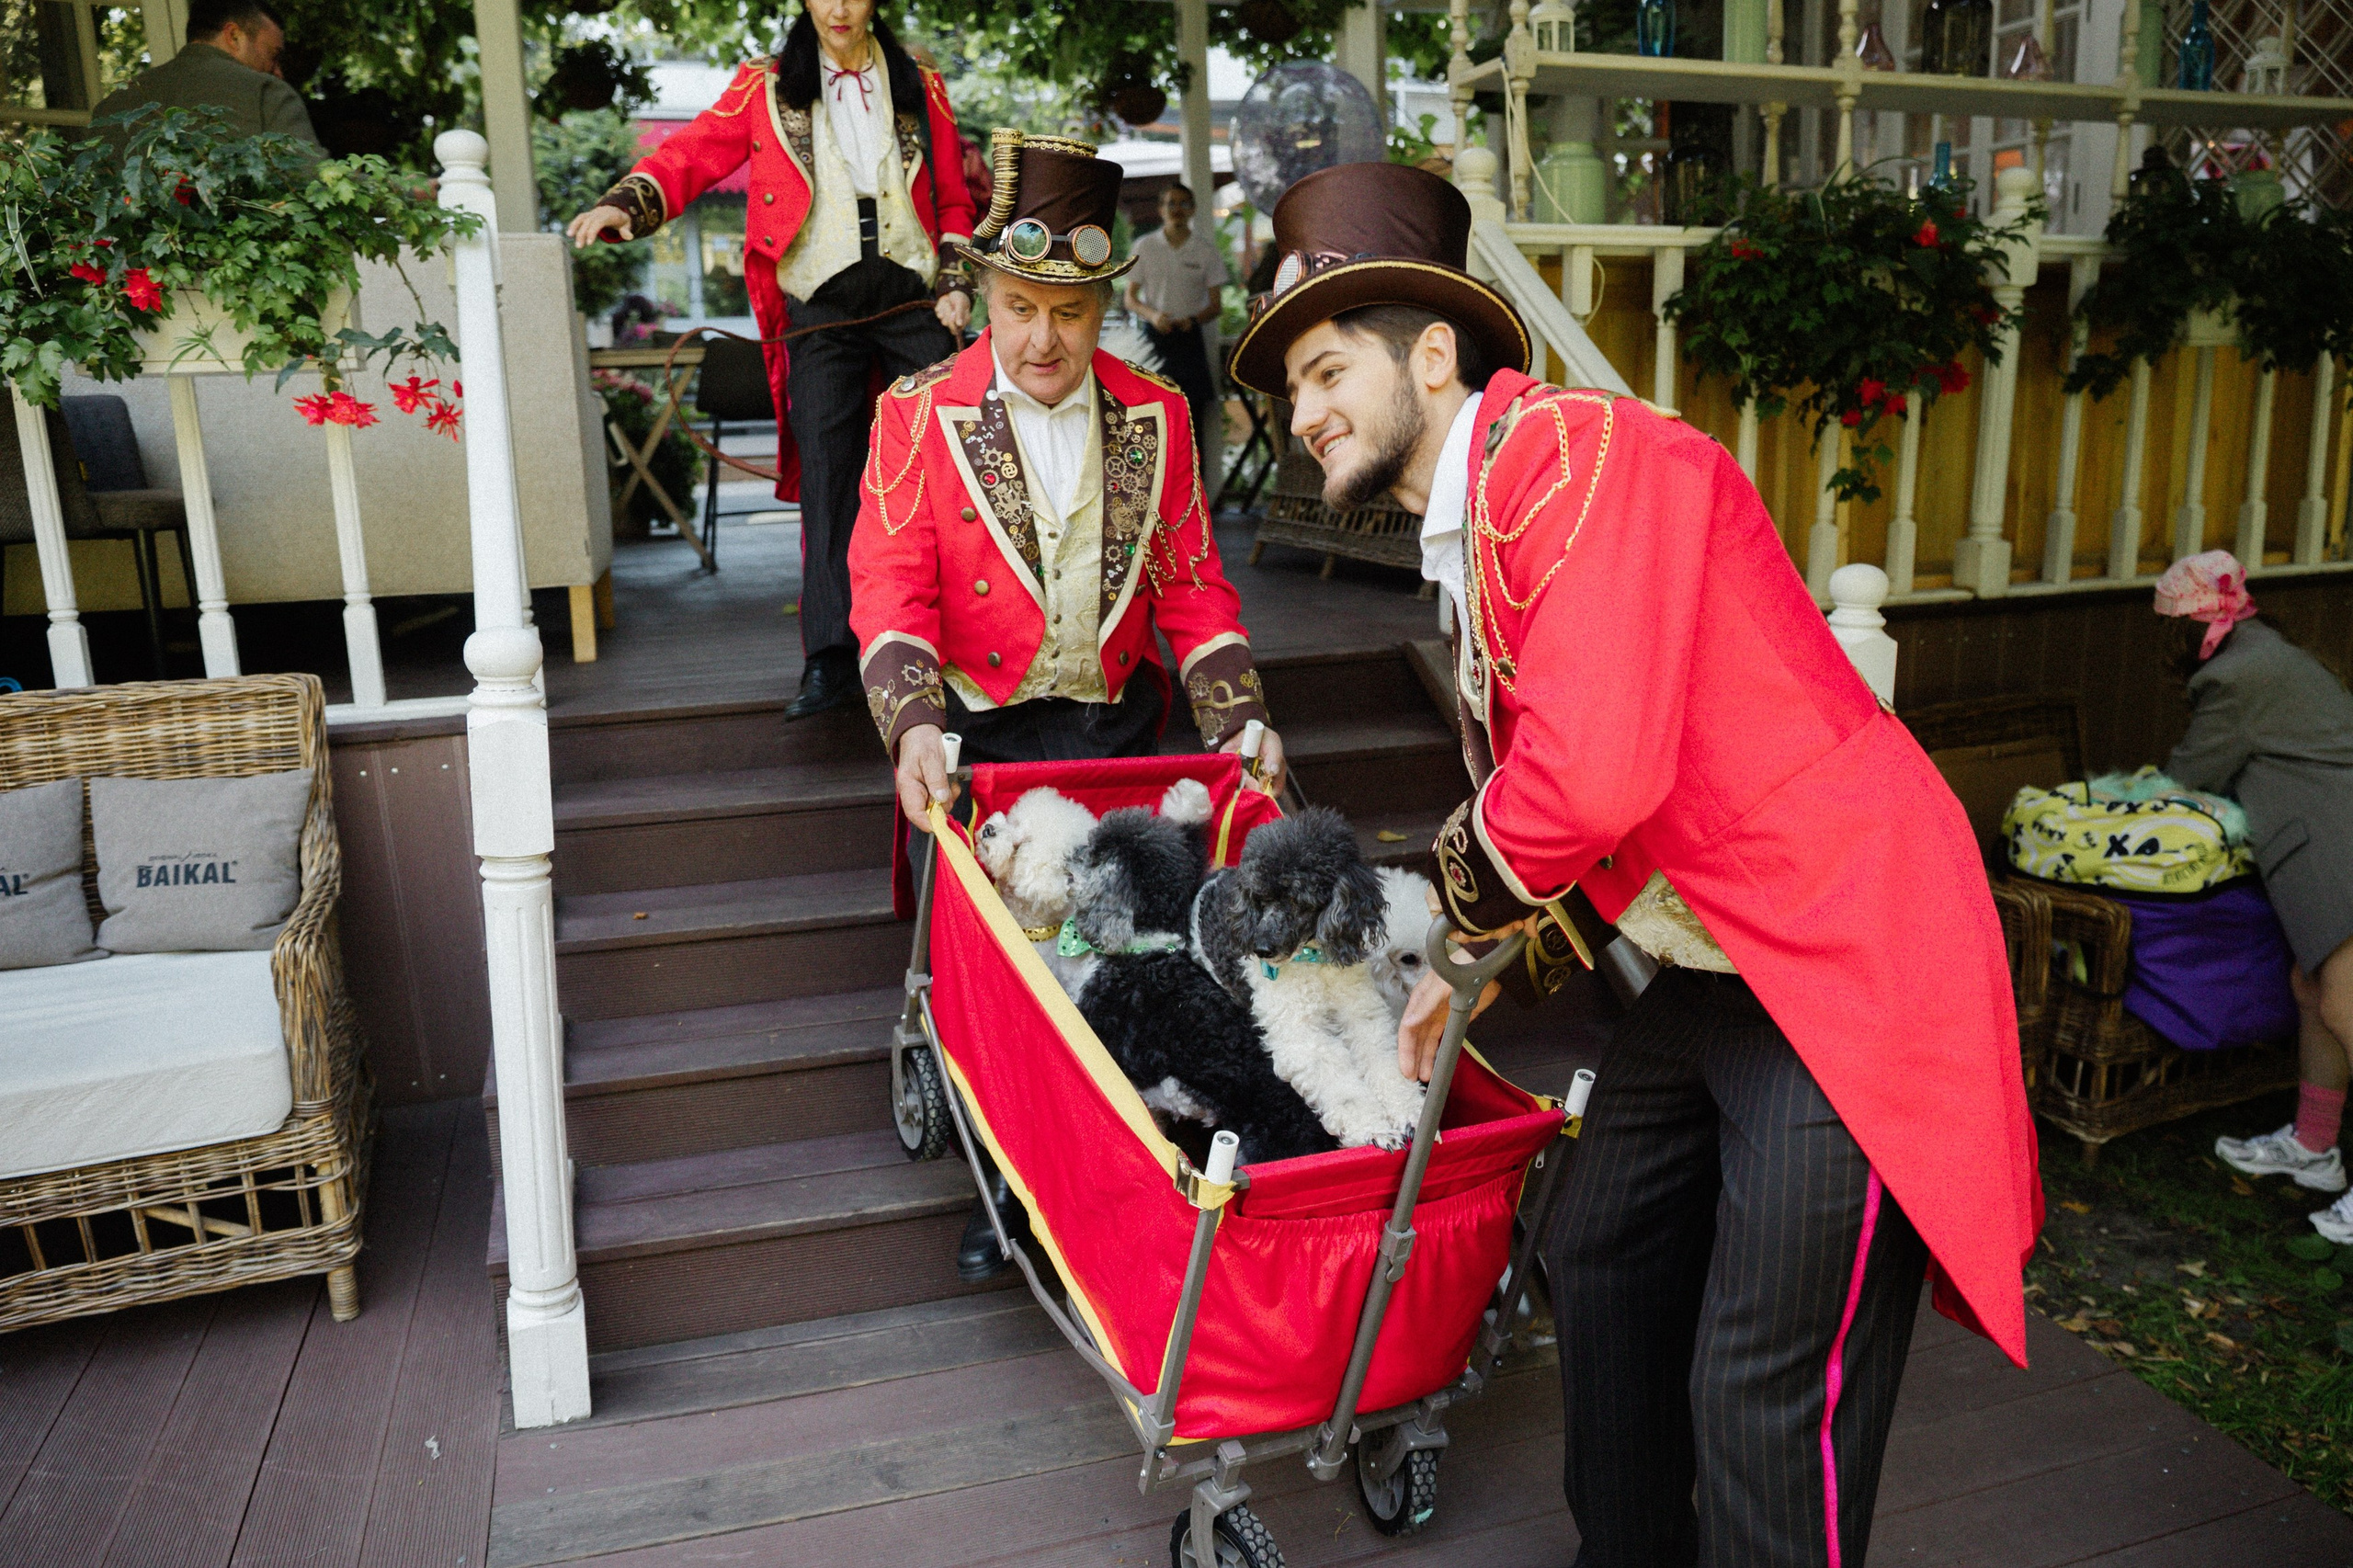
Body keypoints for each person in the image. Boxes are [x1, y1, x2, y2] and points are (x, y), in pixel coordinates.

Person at [1225, 161, 2040, 1568]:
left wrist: (1457, 949)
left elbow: (1589, 779)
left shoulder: (1584, 460)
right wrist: (1463, 984)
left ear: (1432, 353)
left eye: (1322, 371)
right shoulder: (1497, 511)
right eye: (1288, 392)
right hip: (1731, 957)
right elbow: (1594, 822)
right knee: (1599, 1255)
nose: (1300, 420)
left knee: (1764, 1388)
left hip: (1847, 963)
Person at [851, 132, 1286, 1282]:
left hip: (1113, 735)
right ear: (983, 297)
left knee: (1120, 963)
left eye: (1069, 311)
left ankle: (1126, 1170)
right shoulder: (914, 414)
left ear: (1105, 302)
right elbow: (889, 590)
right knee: (1005, 983)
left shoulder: (1158, 415)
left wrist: (1237, 716)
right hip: (978, 741)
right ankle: (1004, 1190)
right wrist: (914, 725)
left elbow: (1191, 582)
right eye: (1017, 306)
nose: (1042, 338)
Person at [566, 0, 974, 721]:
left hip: (912, 299)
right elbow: (693, 150)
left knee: (944, 466)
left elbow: (952, 199)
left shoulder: (924, 85)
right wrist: (628, 205)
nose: (839, 7)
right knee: (826, 473)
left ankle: (952, 646)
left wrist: (956, 281)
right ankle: (829, 658)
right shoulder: (765, 85)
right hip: (819, 301)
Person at [2164, 552, 2353, 1243]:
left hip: (2340, 840)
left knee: (2344, 1003)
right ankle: (2314, 1146)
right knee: (2312, 991)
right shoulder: (2265, 652)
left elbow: (2190, 775)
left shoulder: (2235, 674)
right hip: (2326, 839)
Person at [89, 0, 321, 157]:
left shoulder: (110, 109)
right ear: (234, 36)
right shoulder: (267, 92)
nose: (278, 71)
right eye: (274, 55)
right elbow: (314, 184)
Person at [1123, 183, 1233, 486]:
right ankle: (1153, 491)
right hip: (1154, 338)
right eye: (1171, 203)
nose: (1178, 210)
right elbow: (1130, 299)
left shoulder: (1204, 250)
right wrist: (1154, 315)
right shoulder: (1144, 247)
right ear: (1161, 209)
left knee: (1191, 417)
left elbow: (1216, 305)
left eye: (1185, 203)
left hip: (1189, 338)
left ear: (1194, 209)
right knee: (1151, 414)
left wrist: (1193, 320)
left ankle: (1196, 495)